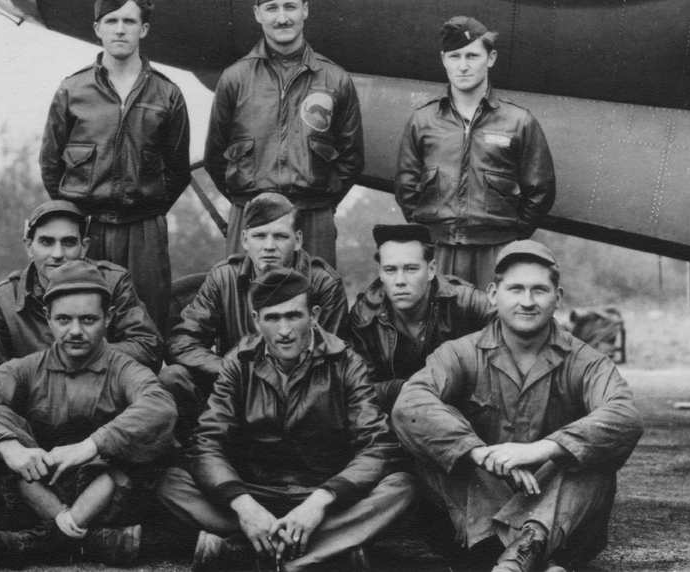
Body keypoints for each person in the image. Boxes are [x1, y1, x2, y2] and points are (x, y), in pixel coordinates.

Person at [392, 241, 643, 572]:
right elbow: (409, 404)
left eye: (539, 290)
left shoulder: (585, 361)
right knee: (435, 439)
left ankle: (523, 553)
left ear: (558, 297)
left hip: (557, 508)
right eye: (516, 289)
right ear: (494, 295)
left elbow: (625, 415)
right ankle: (538, 558)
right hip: (475, 519)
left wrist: (542, 450)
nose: (527, 301)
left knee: (595, 455)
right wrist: (479, 453)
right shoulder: (460, 353)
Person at [156, 268, 416, 571]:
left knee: (402, 486)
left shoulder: (346, 362)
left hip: (322, 495)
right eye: (272, 318)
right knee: (170, 482)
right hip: (255, 490)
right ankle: (330, 552)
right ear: (255, 319)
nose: (284, 331)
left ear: (314, 315)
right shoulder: (239, 362)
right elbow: (207, 442)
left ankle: (247, 553)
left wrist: (320, 501)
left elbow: (376, 445)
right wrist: (244, 506)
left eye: (294, 316)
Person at [0, 262, 178, 569]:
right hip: (36, 494)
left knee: (148, 431)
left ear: (108, 318)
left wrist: (92, 445)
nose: (75, 331)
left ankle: (46, 541)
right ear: (48, 320)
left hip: (107, 498)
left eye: (88, 320)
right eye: (63, 319)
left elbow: (159, 406)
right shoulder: (27, 368)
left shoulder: (125, 368)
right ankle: (87, 537)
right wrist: (10, 447)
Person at [41, 0, 191, 333]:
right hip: (88, 226)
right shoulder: (72, 91)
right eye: (111, 21)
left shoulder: (167, 94)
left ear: (144, 29)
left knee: (146, 323)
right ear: (97, 29)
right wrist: (74, 217)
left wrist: (146, 209)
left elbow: (178, 171)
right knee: (83, 320)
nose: (120, 29)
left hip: (144, 231)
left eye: (129, 21)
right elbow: (51, 166)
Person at [204, 0, 363, 266]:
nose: (282, 18)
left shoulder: (335, 79)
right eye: (272, 8)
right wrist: (251, 205)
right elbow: (215, 157)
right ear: (257, 14)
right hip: (252, 218)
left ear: (305, 10)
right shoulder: (235, 79)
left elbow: (351, 159)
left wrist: (319, 203)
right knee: (246, 304)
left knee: (318, 300)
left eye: (290, 7)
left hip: (312, 217)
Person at [159, 192, 348, 440]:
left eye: (280, 236)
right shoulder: (223, 277)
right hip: (234, 388)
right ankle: (200, 450)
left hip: (300, 394)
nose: (269, 246)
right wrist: (231, 370)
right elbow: (182, 341)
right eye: (259, 236)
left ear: (298, 239)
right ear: (245, 240)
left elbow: (331, 358)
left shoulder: (324, 282)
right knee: (172, 377)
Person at [395, 16, 556, 289]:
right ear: (444, 60)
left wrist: (510, 236)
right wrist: (431, 231)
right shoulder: (422, 121)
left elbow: (540, 190)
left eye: (472, 55)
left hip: (496, 249)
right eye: (454, 56)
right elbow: (406, 187)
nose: (463, 66)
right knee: (441, 327)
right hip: (439, 248)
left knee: (493, 325)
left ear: (490, 58)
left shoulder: (519, 121)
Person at [0, 199, 162, 384]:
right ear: (29, 246)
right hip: (36, 402)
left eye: (69, 242)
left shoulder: (114, 281)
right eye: (46, 242)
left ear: (84, 247)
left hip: (101, 393)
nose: (57, 254)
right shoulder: (5, 296)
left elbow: (147, 348)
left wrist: (84, 356)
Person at [348, 223, 494, 412]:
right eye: (390, 270)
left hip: (463, 411)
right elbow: (361, 390)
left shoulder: (466, 301)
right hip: (396, 414)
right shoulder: (364, 316)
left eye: (410, 269)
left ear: (431, 269)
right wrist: (410, 390)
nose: (400, 281)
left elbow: (511, 331)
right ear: (380, 272)